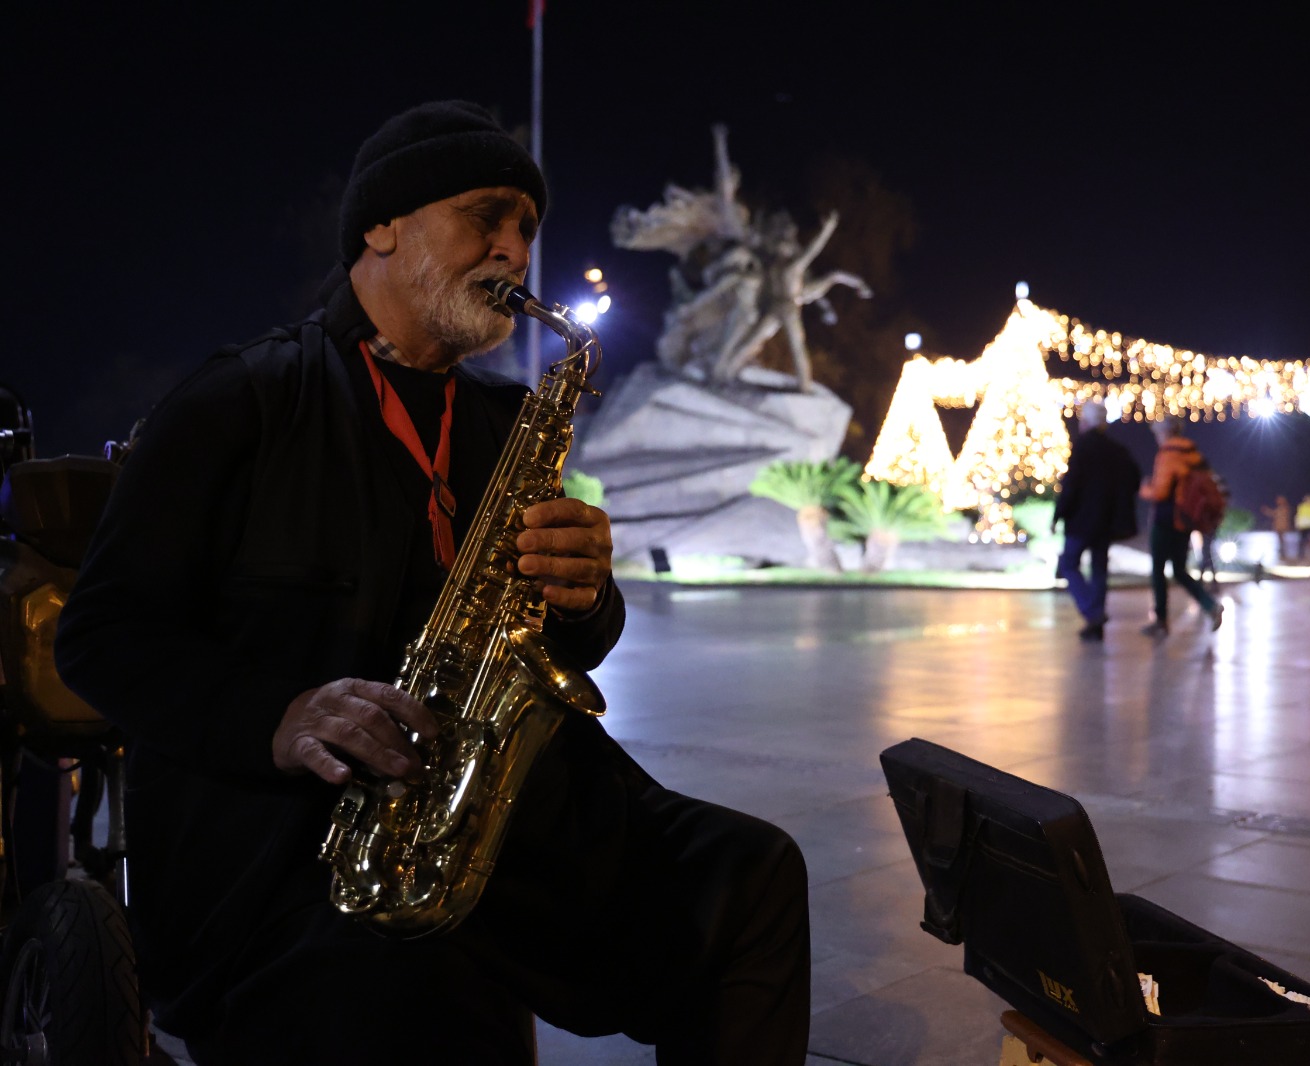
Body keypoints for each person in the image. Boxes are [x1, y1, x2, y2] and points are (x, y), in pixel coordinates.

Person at [55, 101, 809, 1066]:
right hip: (294, 856)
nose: (514, 250)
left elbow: (550, 640)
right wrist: (277, 715)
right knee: (410, 991)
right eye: (487, 217)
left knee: (750, 877)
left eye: (528, 230)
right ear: (382, 225)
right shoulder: (238, 402)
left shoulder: (505, 421)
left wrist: (586, 600)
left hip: (496, 819)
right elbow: (103, 636)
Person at [1050, 399, 1140, 641]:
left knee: (1069, 564)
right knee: (1099, 570)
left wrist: (1058, 515)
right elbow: (1134, 478)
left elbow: (1071, 485)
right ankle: (1095, 622)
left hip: (1081, 520)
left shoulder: (1083, 447)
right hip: (1106, 522)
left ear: (1087, 422)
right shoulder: (1118, 450)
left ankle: (1093, 613)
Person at [1137, 419, 1224, 637]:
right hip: (1185, 521)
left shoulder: (1168, 454)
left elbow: (1160, 492)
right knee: (1179, 569)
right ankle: (1210, 605)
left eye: (1157, 432)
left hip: (1165, 520)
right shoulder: (1193, 454)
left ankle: (1161, 620)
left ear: (1164, 432)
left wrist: (1144, 489)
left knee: (1158, 569)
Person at [1261, 494, 1291, 562]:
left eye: (1279, 500)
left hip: (1282, 527)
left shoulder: (1284, 508)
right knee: (1280, 541)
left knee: (1281, 541)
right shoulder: (1282, 508)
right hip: (1279, 527)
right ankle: (1281, 555)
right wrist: (1266, 510)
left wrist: (1267, 510)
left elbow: (1275, 514)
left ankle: (1282, 555)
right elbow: (1273, 514)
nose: (1277, 501)